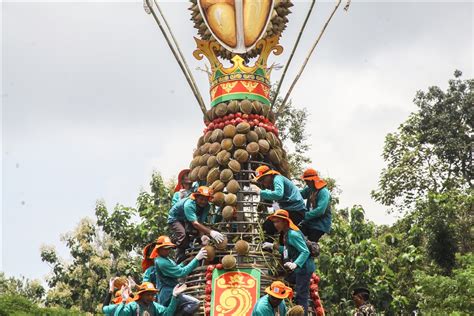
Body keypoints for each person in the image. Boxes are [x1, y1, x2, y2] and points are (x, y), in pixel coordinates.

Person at [262, 210, 315, 316]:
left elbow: (305, 251)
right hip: (298, 269)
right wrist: (273, 246)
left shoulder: (293, 234)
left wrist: (295, 263)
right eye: (274, 222)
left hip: (304, 268)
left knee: (301, 296)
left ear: (285, 221)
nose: (275, 224)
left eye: (278, 222)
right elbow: (288, 249)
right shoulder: (286, 233)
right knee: (286, 282)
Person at [150, 235, 207, 315]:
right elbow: (181, 273)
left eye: (169, 248)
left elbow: (176, 268)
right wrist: (196, 259)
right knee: (194, 303)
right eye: (165, 249)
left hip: (172, 291)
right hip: (168, 294)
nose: (168, 251)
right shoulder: (161, 262)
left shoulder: (165, 259)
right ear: (159, 249)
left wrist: (185, 262)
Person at [167, 186, 225, 262]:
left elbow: (200, 222)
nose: (203, 202)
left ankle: (193, 249)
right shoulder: (189, 204)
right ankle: (179, 254)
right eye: (201, 199)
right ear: (196, 197)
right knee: (183, 235)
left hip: (186, 219)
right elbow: (195, 224)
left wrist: (202, 236)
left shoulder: (207, 206)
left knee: (194, 233)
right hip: (175, 218)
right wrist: (211, 232)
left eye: (205, 199)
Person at [251, 165, 306, 236]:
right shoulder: (271, 184)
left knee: (268, 225)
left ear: (269, 175)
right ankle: (270, 245)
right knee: (283, 235)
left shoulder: (277, 178)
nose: (262, 182)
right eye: (260, 180)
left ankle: (267, 245)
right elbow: (275, 202)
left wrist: (260, 192)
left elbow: (278, 194)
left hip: (295, 210)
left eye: (263, 179)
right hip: (292, 210)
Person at [299, 168, 332, 242]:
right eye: (305, 181)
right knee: (297, 233)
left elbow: (320, 210)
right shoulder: (309, 189)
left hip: (319, 224)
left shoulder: (323, 192)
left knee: (310, 245)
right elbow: (299, 195)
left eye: (307, 181)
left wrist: (304, 215)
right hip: (309, 222)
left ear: (313, 180)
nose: (306, 183)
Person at [117, 282, 186, 316]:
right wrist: (123, 300)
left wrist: (174, 296)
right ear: (142, 295)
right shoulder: (132, 306)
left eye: (152, 295)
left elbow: (167, 313)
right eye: (148, 295)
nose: (150, 297)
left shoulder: (155, 306)